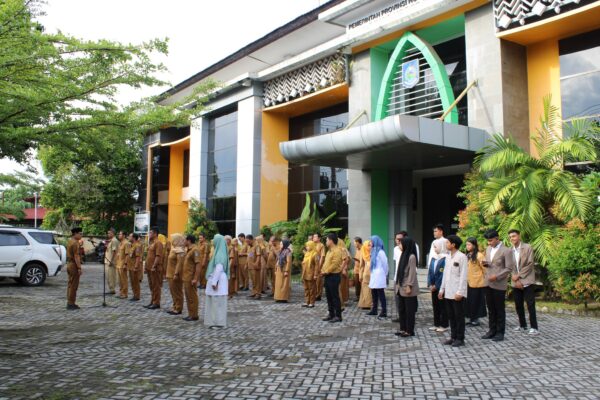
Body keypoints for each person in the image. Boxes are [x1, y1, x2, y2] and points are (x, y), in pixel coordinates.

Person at [482, 229, 515, 342]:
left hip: (499, 284)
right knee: (491, 309)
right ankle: (492, 330)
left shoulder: (506, 250)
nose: (489, 243)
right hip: (488, 283)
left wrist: (497, 276)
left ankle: (500, 333)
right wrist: (486, 264)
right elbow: (492, 263)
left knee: (499, 309)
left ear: (497, 238)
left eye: (491, 240)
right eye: (488, 241)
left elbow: (509, 268)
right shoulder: (488, 249)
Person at [439, 235, 468, 347]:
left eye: (447, 242)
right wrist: (442, 289)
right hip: (448, 291)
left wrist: (460, 292)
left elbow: (463, 276)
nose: (446, 244)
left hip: (457, 292)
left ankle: (460, 338)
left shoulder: (462, 257)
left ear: (453, 244)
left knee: (459, 316)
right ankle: (453, 336)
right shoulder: (447, 257)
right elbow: (445, 275)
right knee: (451, 316)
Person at [508, 229, 538, 335]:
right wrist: (515, 278)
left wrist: (519, 276)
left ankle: (534, 327)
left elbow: (530, 264)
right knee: (518, 304)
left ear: (519, 236)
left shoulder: (527, 247)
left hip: (527, 280)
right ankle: (522, 325)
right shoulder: (510, 250)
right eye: (510, 237)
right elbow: (510, 266)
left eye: (514, 236)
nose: (512, 238)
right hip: (515, 282)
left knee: (530, 304)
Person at [393, 231, 421, 323]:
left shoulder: (412, 254)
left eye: (400, 240)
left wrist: (409, 284)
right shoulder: (398, 250)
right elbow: (397, 265)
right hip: (399, 279)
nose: (398, 242)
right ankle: (402, 324)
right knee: (401, 305)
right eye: (397, 239)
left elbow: (412, 270)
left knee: (409, 306)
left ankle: (409, 326)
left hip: (407, 281)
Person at [204, 234, 230, 328]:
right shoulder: (220, 251)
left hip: (217, 279)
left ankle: (217, 323)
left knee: (217, 302)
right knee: (216, 302)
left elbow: (219, 268)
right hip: (218, 278)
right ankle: (215, 322)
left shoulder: (219, 254)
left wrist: (214, 282)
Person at [395, 236, 419, 337]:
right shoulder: (403, 254)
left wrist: (409, 285)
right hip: (401, 287)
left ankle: (409, 331)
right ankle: (403, 328)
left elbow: (412, 272)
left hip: (408, 287)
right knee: (402, 309)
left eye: (401, 243)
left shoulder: (411, 256)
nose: (399, 245)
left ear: (406, 244)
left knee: (409, 311)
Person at [427, 238, 449, 332]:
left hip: (441, 287)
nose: (434, 249)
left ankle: (444, 325)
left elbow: (443, 274)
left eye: (436, 247)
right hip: (433, 287)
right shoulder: (434, 258)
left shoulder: (446, 258)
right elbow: (430, 272)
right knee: (435, 306)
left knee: (442, 306)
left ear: (442, 246)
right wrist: (430, 284)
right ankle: (436, 324)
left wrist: (437, 285)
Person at [178, 234, 201, 321]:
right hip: (186, 276)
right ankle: (190, 313)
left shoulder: (195, 250)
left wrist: (195, 278)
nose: (183, 242)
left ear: (189, 241)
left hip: (191, 277)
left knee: (192, 297)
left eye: (184, 240)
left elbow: (198, 264)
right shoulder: (188, 250)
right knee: (188, 296)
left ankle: (194, 315)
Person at [321, 233, 343, 323]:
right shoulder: (329, 251)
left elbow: (335, 264)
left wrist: (326, 271)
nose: (326, 242)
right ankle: (331, 314)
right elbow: (326, 263)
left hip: (334, 276)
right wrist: (323, 270)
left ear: (331, 240)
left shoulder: (337, 251)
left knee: (335, 297)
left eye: (326, 240)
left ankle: (338, 316)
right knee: (329, 296)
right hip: (327, 276)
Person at [465, 237, 487, 327]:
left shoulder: (479, 255)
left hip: (478, 283)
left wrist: (485, 281)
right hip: (468, 282)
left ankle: (475, 320)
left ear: (474, 245)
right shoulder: (467, 255)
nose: (467, 246)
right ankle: (471, 318)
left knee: (476, 301)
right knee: (469, 301)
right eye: (466, 245)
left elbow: (485, 269)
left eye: (469, 244)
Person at [367, 235, 388, 318]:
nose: (370, 243)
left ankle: (384, 311)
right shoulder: (373, 251)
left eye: (371, 241)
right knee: (374, 293)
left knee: (381, 293)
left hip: (379, 275)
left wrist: (385, 274)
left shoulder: (381, 252)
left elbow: (385, 264)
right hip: (374, 275)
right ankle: (374, 309)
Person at [144, 227, 164, 310]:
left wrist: (154, 266)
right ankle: (152, 301)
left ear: (155, 234)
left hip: (154, 268)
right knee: (151, 286)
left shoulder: (158, 243)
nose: (149, 234)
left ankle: (156, 303)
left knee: (156, 286)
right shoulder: (152, 243)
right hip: (149, 268)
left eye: (151, 233)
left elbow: (158, 256)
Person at [166, 233, 185, 315]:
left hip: (175, 274)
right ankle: (175, 306)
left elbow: (179, 263)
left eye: (173, 239)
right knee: (173, 291)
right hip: (170, 273)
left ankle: (178, 308)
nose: (172, 240)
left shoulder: (180, 250)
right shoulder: (174, 249)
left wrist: (176, 274)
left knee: (177, 291)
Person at [66, 227, 83, 310]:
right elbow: (76, 256)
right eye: (80, 233)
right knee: (74, 285)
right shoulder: (75, 243)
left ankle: (69, 301)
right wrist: (79, 267)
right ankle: (71, 303)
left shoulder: (70, 241)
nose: (81, 235)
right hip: (73, 265)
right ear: (75, 233)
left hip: (69, 264)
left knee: (70, 284)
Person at [301, 241, 318, 308]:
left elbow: (317, 265)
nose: (307, 247)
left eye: (308, 246)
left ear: (311, 246)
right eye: (306, 246)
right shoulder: (306, 254)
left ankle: (311, 302)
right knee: (306, 288)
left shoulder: (315, 254)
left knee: (311, 288)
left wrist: (315, 274)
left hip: (311, 273)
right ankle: (307, 301)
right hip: (305, 273)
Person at [357, 240, 373, 310]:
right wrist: (360, 275)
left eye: (370, 245)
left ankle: (368, 304)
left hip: (372, 274)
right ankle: (365, 304)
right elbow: (361, 265)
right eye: (368, 245)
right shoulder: (363, 253)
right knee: (365, 289)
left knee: (370, 289)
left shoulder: (373, 253)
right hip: (366, 273)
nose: (370, 247)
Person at [247, 235, 263, 300]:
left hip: (255, 266)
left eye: (248, 241)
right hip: (250, 266)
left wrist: (256, 263)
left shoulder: (257, 246)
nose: (247, 243)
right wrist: (247, 264)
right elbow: (249, 255)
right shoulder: (249, 247)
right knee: (253, 280)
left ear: (252, 240)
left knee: (256, 280)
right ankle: (254, 292)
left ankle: (258, 293)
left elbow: (258, 255)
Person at [127, 233, 142, 302]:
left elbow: (138, 257)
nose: (128, 237)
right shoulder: (131, 245)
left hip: (134, 267)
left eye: (130, 236)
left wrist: (136, 266)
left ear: (133, 238)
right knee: (132, 282)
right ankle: (134, 295)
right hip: (130, 266)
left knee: (135, 282)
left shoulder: (137, 246)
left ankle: (137, 296)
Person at [104, 228, 119, 295]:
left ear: (113, 233)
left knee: (111, 276)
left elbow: (115, 252)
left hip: (111, 261)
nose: (108, 234)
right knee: (108, 276)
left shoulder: (114, 241)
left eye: (109, 233)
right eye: (108, 233)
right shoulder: (111, 241)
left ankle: (112, 289)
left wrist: (111, 261)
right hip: (108, 261)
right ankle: (111, 289)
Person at [115, 231, 130, 299]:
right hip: (118, 264)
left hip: (123, 264)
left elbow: (127, 255)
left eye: (120, 234)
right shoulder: (120, 243)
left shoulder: (126, 243)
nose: (119, 235)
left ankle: (125, 293)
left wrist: (125, 264)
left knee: (124, 280)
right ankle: (121, 293)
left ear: (124, 235)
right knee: (120, 280)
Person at [313, 233, 326, 301]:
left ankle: (318, 295)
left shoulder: (321, 245)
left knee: (318, 281)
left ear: (319, 238)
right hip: (312, 266)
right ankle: (313, 294)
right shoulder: (312, 244)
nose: (313, 238)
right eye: (313, 237)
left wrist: (319, 266)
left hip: (318, 265)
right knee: (313, 281)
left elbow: (322, 256)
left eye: (315, 237)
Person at [338, 239, 350, 308]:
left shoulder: (343, 250)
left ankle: (342, 301)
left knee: (342, 287)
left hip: (342, 271)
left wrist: (344, 269)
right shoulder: (341, 250)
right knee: (342, 287)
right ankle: (342, 300)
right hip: (341, 270)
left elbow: (346, 260)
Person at [352, 237, 363, 302]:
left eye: (354, 242)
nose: (354, 244)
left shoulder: (363, 249)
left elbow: (364, 260)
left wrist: (358, 260)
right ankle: (358, 296)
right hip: (356, 269)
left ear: (358, 242)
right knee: (357, 284)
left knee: (362, 284)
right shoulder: (357, 249)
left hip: (361, 270)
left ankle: (362, 297)